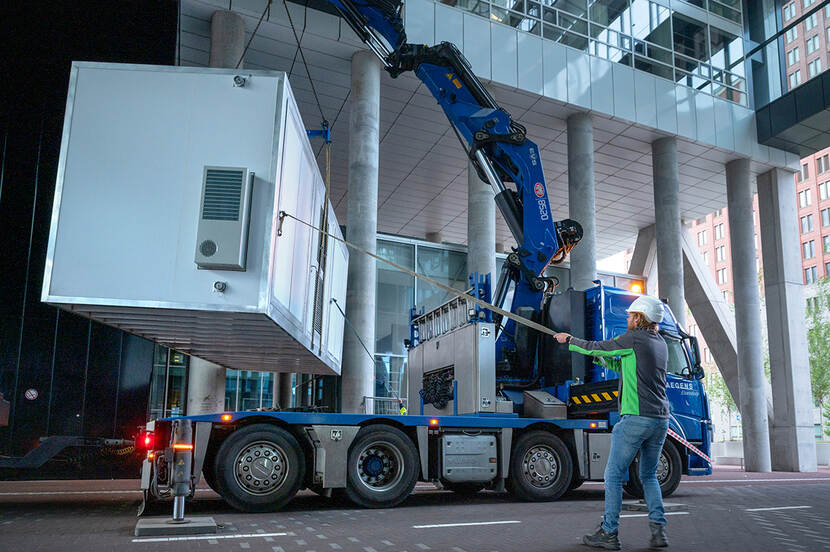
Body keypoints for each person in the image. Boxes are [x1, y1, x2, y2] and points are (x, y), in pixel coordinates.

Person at [553, 295, 670, 550]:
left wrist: (570, 340)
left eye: (630, 315)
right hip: (660, 420)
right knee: (648, 475)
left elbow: (600, 346)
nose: (627, 318)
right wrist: (601, 358)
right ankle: (659, 530)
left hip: (636, 419)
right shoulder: (660, 342)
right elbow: (626, 364)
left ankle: (609, 532)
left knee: (614, 475)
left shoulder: (634, 338)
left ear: (639, 318)